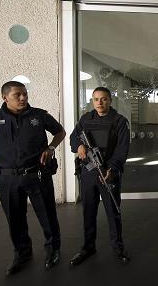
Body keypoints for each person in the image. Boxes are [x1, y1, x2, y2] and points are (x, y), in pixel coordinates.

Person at [0, 81, 66, 276]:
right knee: (15, 219)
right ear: (4, 97)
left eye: (25, 94)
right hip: (7, 178)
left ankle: (53, 250)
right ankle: (22, 254)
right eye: (17, 95)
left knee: (47, 215)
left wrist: (51, 148)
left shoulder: (39, 115)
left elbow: (60, 132)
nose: (23, 98)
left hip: (37, 175)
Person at [69, 87, 130, 266]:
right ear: (92, 101)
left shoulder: (119, 121)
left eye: (103, 99)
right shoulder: (86, 119)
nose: (99, 103)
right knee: (88, 211)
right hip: (88, 172)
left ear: (110, 100)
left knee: (113, 211)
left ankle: (118, 247)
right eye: (96, 99)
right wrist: (79, 146)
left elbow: (122, 148)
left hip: (108, 172)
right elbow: (74, 137)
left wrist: (112, 168)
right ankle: (88, 247)